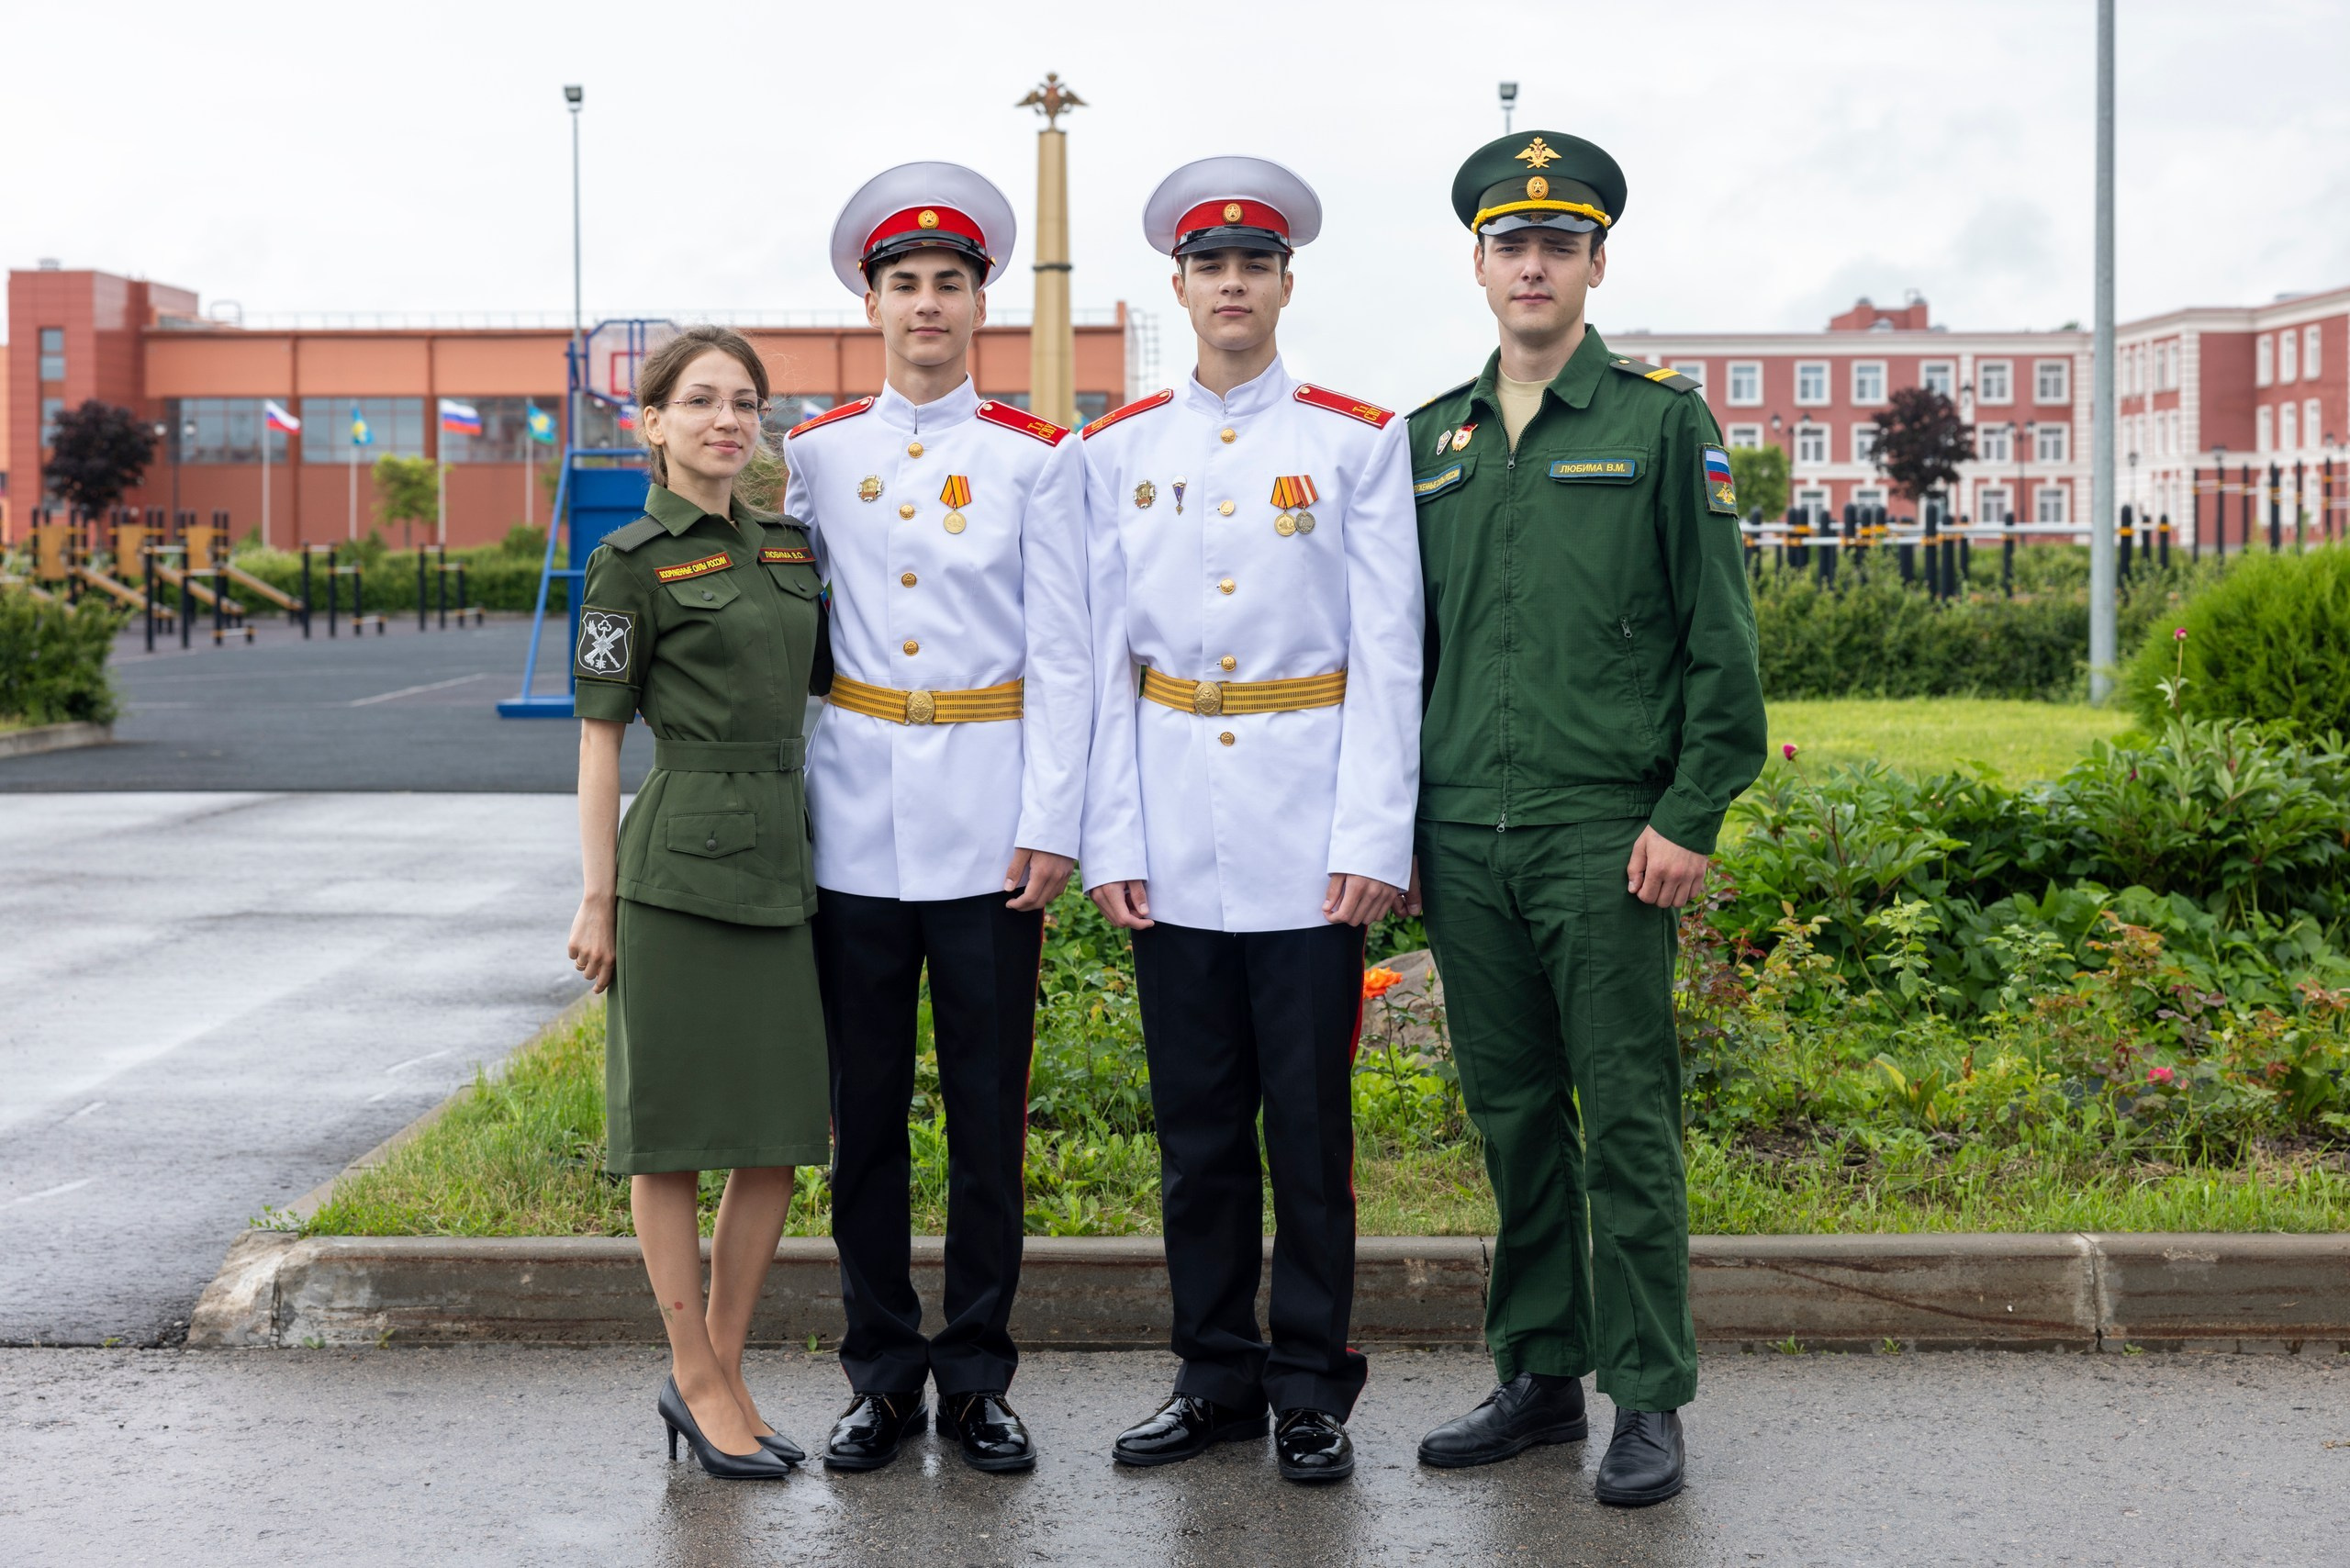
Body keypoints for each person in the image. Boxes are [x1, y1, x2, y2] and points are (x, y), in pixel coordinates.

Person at [1400, 131, 1767, 1506]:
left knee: (1625, 1116)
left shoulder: (1662, 425)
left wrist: (1691, 811)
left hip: (1606, 833)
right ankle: (1541, 1372)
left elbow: (1720, 648)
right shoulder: (1429, 437)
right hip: (1465, 830)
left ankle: (1650, 1395)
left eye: (1560, 241)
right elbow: (1405, 647)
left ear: (1597, 263)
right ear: (1481, 266)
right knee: (1508, 1114)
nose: (1534, 263)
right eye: (1512, 243)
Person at [1081, 156, 1422, 1484]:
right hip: (1169, 827)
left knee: (1309, 1127)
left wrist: (1371, 836)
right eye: (1210, 267)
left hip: (1306, 833)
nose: (1233, 285)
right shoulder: (1118, 450)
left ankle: (1310, 1383)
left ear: (1287, 284)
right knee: (1198, 1129)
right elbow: (1103, 658)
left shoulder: (1352, 439)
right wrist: (1109, 836)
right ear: (1179, 286)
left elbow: (1389, 652)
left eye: (1255, 266)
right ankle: (1213, 1372)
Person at [786, 162, 1092, 1474]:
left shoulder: (1038, 459)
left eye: (950, 283)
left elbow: (1069, 653)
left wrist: (1056, 819)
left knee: (983, 1116)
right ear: (873, 301)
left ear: (981, 305)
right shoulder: (812, 454)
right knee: (864, 1118)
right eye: (904, 283)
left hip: (986, 821)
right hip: (855, 821)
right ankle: (878, 1372)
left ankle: (974, 1374)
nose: (927, 302)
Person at [567, 325, 830, 1481]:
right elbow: (598, 742)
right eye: (704, 402)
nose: (730, 421)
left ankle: (722, 1373)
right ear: (655, 423)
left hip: (784, 854)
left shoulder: (790, 547)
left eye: (747, 404)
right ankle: (693, 1371)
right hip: (674, 869)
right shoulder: (628, 559)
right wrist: (597, 897)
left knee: (775, 1136)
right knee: (669, 1138)